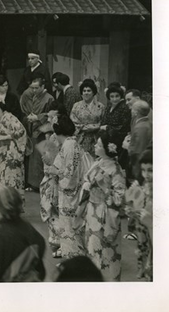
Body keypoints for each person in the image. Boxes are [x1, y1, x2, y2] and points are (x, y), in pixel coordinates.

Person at [82, 131, 127, 281]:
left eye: (99, 144)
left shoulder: (116, 169)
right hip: (92, 211)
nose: (95, 146)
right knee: (92, 251)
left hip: (105, 215)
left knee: (107, 254)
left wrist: (104, 188)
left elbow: (120, 198)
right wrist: (87, 185)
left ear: (108, 148)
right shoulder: (98, 162)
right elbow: (87, 178)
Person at [52, 115, 87, 259]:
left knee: (70, 225)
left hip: (70, 191)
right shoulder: (71, 143)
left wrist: (56, 172)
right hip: (70, 190)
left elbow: (70, 173)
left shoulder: (69, 145)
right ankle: (71, 255)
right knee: (69, 225)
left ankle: (73, 258)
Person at [0, 100, 26, 201]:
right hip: (3, 154)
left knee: (11, 179)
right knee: (4, 180)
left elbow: (21, 131)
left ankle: (12, 205)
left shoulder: (8, 117)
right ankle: (7, 205)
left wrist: (5, 137)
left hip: (12, 153)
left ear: (1, 109)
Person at [20, 77, 54, 191]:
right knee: (33, 157)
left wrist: (38, 117)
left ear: (43, 87)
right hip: (33, 128)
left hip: (43, 130)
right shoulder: (34, 97)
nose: (34, 90)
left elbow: (51, 114)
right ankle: (33, 184)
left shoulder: (49, 98)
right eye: (32, 88)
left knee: (41, 158)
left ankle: (40, 183)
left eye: (36, 88)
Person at [124, 150, 153, 281]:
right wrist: (132, 211)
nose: (146, 175)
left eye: (150, 170)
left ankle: (148, 269)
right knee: (142, 245)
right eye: (144, 170)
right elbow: (132, 201)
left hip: (153, 225)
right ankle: (142, 267)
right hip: (142, 223)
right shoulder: (141, 185)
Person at [37, 138, 62, 258]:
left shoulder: (64, 143)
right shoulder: (53, 138)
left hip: (56, 180)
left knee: (56, 211)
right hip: (49, 177)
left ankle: (62, 243)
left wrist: (51, 162)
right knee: (51, 212)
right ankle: (55, 241)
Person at [70, 78, 105, 157]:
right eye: (84, 91)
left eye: (89, 91)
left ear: (93, 92)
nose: (86, 93)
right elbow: (73, 121)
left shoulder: (100, 106)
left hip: (95, 138)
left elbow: (103, 122)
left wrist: (95, 127)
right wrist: (86, 127)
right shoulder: (76, 106)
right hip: (80, 138)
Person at [100, 82, 131, 148]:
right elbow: (103, 121)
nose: (114, 99)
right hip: (107, 138)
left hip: (120, 139)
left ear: (121, 96)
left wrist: (107, 127)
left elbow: (124, 127)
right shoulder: (108, 106)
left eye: (117, 96)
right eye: (112, 96)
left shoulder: (124, 107)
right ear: (109, 97)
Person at [128, 100, 153, 180]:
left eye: (132, 109)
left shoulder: (141, 127)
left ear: (136, 112)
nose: (131, 111)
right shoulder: (147, 123)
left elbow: (139, 150)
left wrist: (127, 146)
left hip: (139, 164)